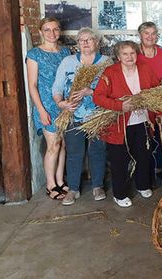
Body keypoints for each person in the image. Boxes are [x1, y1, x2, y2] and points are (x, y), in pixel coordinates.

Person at [93, 41, 162, 207]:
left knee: (143, 156)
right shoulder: (110, 72)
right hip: (119, 125)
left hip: (143, 121)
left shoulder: (145, 69)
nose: (129, 57)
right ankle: (120, 194)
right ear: (118, 57)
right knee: (119, 160)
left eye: (132, 53)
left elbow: (158, 91)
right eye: (125, 54)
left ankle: (143, 185)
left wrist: (159, 113)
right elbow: (98, 97)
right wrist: (120, 106)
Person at [52, 28, 110, 206]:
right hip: (73, 116)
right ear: (77, 44)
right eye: (81, 40)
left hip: (98, 116)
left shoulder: (107, 62)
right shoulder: (68, 62)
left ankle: (97, 186)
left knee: (98, 151)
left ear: (97, 43)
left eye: (89, 40)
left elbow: (112, 89)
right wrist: (62, 104)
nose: (85, 43)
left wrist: (90, 91)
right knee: (75, 153)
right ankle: (74, 189)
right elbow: (57, 88)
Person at [25, 17, 71, 200]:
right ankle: (50, 184)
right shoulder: (34, 54)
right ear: (40, 32)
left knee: (63, 145)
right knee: (53, 145)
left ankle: (60, 180)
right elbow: (32, 85)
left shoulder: (65, 52)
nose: (52, 33)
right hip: (46, 105)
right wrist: (42, 111)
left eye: (55, 29)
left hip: (64, 104)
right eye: (47, 30)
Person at [137, 21, 162, 179]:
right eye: (146, 33)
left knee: (159, 135)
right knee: (142, 139)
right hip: (139, 102)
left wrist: (161, 109)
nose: (150, 36)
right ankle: (144, 172)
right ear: (140, 35)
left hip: (159, 102)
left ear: (157, 36)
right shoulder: (133, 54)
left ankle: (158, 170)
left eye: (153, 33)